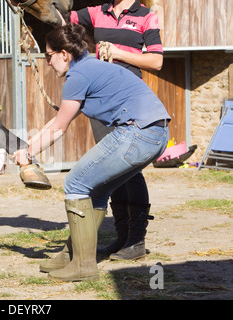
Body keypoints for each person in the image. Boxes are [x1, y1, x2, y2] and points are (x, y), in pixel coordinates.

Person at [13, 23, 170, 282]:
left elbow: (59, 129)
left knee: (75, 182)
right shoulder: (90, 67)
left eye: (48, 56)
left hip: (138, 132)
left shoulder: (79, 75)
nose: (47, 63)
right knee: (96, 189)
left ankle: (84, 266)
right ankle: (72, 254)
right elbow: (58, 121)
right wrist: (28, 148)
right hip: (156, 133)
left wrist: (27, 154)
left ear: (64, 54)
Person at [67, 0, 164, 261]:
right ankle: (121, 237)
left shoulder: (146, 16)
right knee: (112, 170)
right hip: (102, 98)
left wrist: (118, 53)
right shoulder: (98, 11)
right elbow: (62, 18)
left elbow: (156, 61)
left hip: (130, 99)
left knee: (130, 169)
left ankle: (136, 240)